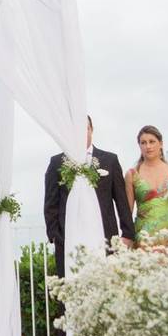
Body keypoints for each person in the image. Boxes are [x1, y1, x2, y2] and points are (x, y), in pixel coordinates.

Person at [43, 116, 134, 278]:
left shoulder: (110, 160)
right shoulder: (57, 162)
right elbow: (51, 204)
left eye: (84, 129)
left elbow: (121, 201)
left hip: (105, 238)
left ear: (91, 130)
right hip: (69, 240)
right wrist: (56, 236)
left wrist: (127, 233)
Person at [124, 126, 168, 246]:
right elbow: (127, 212)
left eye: (152, 141)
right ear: (139, 146)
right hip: (144, 240)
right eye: (143, 143)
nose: (148, 146)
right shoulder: (132, 174)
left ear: (160, 144)